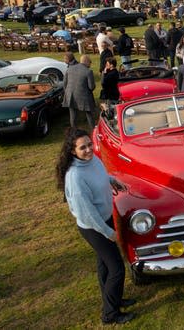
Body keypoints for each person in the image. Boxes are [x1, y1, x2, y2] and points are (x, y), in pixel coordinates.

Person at [56, 129, 136, 325]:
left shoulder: (92, 161)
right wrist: (108, 232)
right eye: (82, 147)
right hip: (94, 227)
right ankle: (110, 314)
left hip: (103, 219)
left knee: (104, 265)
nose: (88, 149)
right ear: (73, 151)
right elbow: (86, 213)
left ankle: (114, 300)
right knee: (116, 268)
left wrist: (113, 181)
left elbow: (100, 175)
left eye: (89, 144)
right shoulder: (75, 177)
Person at [63, 54, 96, 130]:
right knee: (89, 114)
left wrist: (67, 92)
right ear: (86, 61)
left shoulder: (69, 69)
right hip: (83, 96)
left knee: (72, 115)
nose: (90, 64)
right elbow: (91, 87)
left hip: (70, 95)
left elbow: (65, 83)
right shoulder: (88, 71)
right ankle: (93, 130)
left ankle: (74, 130)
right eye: (90, 62)